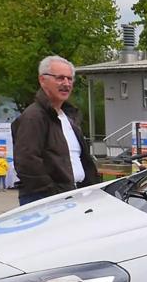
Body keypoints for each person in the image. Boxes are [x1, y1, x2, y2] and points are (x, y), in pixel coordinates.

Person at [11, 55, 101, 206]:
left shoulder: (69, 117)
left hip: (74, 196)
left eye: (69, 79)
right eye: (59, 78)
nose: (66, 83)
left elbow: (80, 160)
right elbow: (27, 162)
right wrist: (53, 193)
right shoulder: (34, 117)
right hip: (47, 201)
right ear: (42, 80)